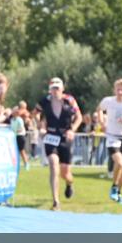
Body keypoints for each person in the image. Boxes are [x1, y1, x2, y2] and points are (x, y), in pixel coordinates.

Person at [35, 78, 82, 210]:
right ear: (49, 89)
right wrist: (41, 126)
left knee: (65, 173)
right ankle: (56, 201)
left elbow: (79, 117)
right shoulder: (45, 101)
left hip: (65, 137)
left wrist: (72, 130)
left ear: (62, 89)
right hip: (50, 136)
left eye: (57, 88)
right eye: (53, 88)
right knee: (53, 164)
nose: (55, 91)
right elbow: (35, 113)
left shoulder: (70, 100)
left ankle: (69, 183)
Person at [10, 102, 30, 169]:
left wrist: (14, 132)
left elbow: (21, 129)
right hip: (15, 136)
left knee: (22, 150)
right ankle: (15, 164)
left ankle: (26, 163)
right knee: (15, 151)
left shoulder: (19, 119)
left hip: (20, 136)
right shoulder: (12, 120)